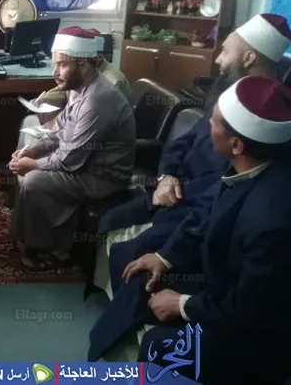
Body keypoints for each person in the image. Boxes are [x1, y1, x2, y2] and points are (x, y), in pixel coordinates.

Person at [90, 75, 291, 384]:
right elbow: (205, 213)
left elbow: (251, 307)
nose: (207, 124)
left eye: (214, 121)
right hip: (224, 285)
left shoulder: (270, 217)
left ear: (236, 144)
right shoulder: (247, 165)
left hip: (259, 332)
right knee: (141, 281)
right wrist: (165, 257)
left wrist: (182, 304)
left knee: (159, 346)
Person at [93, 13, 291, 298]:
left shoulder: (273, 117)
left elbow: (234, 182)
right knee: (111, 220)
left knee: (135, 257)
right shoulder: (229, 94)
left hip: (198, 209)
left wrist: (177, 190)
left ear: (249, 58)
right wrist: (167, 175)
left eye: (225, 51)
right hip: (173, 191)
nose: (218, 59)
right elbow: (183, 142)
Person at [9, 26, 136, 271]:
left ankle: (55, 251)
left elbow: (71, 159)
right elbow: (60, 130)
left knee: (34, 180)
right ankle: (28, 239)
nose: (55, 72)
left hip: (102, 176)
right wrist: (34, 151)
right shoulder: (79, 89)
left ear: (84, 65)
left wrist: (33, 164)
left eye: (62, 65)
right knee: (30, 160)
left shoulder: (98, 99)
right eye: (54, 64)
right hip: (84, 163)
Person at [17, 28, 131, 150]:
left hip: (97, 143)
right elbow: (63, 93)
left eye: (63, 64)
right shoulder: (81, 77)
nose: (55, 72)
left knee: (40, 143)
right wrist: (42, 101)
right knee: (30, 122)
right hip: (75, 128)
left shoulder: (111, 82)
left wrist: (57, 128)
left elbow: (92, 127)